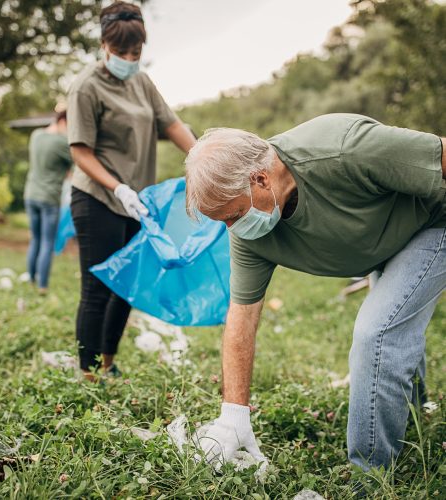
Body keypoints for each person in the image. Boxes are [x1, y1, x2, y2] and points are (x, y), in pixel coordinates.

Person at [184, 113, 446, 472]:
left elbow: (441, 156)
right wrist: (233, 414)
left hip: (432, 222)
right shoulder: (249, 235)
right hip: (381, 243)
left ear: (260, 179)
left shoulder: (342, 149)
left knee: (378, 334)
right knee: (396, 328)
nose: (233, 229)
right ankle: (418, 418)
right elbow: (241, 317)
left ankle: (370, 479)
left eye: (234, 216)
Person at [67, 1, 196, 381]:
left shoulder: (142, 82)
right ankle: (86, 374)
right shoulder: (86, 87)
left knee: (128, 287)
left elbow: (172, 125)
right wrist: (117, 187)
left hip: (137, 202)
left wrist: (204, 158)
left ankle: (108, 364)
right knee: (98, 287)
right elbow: (80, 152)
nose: (127, 58)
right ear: (104, 45)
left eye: (134, 52)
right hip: (98, 197)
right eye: (119, 52)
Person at [24, 110, 72, 294]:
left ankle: (31, 279)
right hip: (49, 198)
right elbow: (75, 165)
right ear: (62, 122)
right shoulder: (62, 143)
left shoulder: (36, 135)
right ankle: (42, 286)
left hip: (31, 194)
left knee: (35, 239)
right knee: (47, 242)